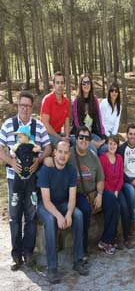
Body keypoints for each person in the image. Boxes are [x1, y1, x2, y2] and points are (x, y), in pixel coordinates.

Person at [0, 91, 51, 271]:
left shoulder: (38, 126)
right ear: (18, 106)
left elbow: (48, 147)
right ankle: (16, 255)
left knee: (30, 215)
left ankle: (28, 253)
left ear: (32, 108)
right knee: (15, 217)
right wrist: (11, 162)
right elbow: (1, 149)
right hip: (14, 179)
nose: (25, 109)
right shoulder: (8, 125)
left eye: (28, 106)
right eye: (22, 105)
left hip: (31, 180)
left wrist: (39, 160)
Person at [37, 141, 88, 284]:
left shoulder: (71, 170)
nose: (62, 155)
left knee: (78, 215)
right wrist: (59, 216)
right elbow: (46, 201)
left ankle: (78, 260)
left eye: (66, 153)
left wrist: (69, 213)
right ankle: (52, 268)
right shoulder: (46, 170)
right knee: (50, 220)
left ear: (69, 155)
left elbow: (72, 197)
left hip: (63, 203)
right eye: (60, 151)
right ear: (54, 152)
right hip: (45, 205)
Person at [69, 126, 105, 258]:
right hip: (75, 193)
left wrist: (100, 194)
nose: (84, 140)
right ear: (76, 139)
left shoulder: (93, 156)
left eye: (87, 138)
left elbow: (101, 179)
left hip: (92, 193)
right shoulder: (69, 154)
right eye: (81, 137)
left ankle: (108, 240)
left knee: (112, 200)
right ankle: (82, 249)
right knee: (84, 210)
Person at [99, 135, 134, 253]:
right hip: (106, 191)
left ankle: (126, 236)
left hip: (117, 190)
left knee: (125, 207)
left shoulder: (119, 158)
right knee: (116, 207)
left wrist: (116, 191)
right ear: (107, 145)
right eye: (110, 143)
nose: (112, 146)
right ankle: (110, 239)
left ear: (117, 145)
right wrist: (110, 192)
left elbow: (120, 177)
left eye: (114, 144)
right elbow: (102, 178)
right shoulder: (102, 158)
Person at [72, 73, 107, 154]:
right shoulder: (76, 101)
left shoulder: (94, 100)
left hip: (92, 133)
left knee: (105, 148)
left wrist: (103, 136)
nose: (86, 85)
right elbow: (78, 125)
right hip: (79, 135)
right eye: (84, 83)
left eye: (88, 82)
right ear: (80, 85)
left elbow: (99, 119)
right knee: (93, 150)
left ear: (91, 84)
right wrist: (90, 140)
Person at [9, 126, 41, 213]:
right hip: (20, 170)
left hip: (30, 169)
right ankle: (15, 195)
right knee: (16, 182)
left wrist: (36, 149)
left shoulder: (32, 143)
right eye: (17, 137)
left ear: (26, 136)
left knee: (33, 181)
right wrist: (12, 154)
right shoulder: (17, 145)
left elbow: (39, 148)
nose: (18, 138)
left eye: (20, 136)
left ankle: (33, 194)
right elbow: (11, 150)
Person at [40, 71, 71, 144]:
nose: (60, 85)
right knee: (62, 145)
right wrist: (60, 138)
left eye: (62, 83)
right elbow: (45, 124)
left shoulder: (66, 102)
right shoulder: (47, 100)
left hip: (59, 134)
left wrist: (67, 137)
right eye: (57, 83)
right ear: (53, 85)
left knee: (75, 141)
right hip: (45, 134)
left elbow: (66, 123)